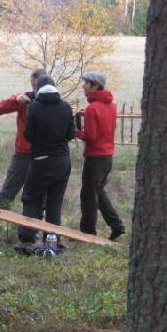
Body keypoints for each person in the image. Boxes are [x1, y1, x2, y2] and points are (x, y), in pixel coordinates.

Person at [0, 68, 48, 236]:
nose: (34, 88)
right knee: (8, 190)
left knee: (39, 194)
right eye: (32, 84)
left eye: (37, 85)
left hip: (43, 155)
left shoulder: (52, 102)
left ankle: (33, 229)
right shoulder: (24, 99)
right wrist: (16, 100)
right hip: (23, 153)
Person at [16, 75, 76, 249]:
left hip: (41, 160)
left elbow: (28, 135)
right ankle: (51, 240)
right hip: (62, 161)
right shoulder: (66, 107)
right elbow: (71, 135)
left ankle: (27, 238)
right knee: (54, 202)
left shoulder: (35, 107)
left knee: (31, 198)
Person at [76, 72, 125, 240]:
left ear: (95, 86)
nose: (84, 86)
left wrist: (76, 132)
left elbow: (90, 137)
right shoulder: (111, 105)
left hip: (95, 157)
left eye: (86, 84)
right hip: (107, 156)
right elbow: (105, 124)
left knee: (88, 196)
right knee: (98, 191)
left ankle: (87, 233)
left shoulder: (92, 108)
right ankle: (117, 226)